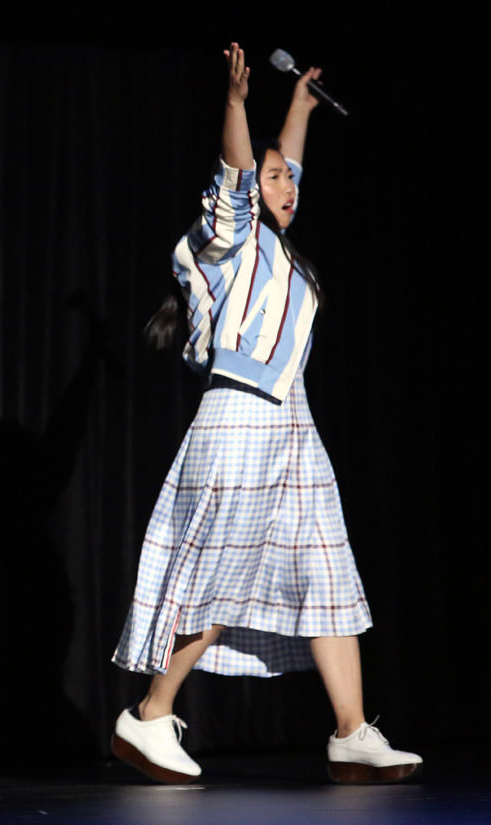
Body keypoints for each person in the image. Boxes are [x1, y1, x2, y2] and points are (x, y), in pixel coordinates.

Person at [111, 43, 422, 785]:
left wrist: (303, 107)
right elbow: (245, 177)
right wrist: (236, 104)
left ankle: (351, 730)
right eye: (275, 178)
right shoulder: (233, 243)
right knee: (226, 566)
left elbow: (284, 170)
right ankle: (150, 713)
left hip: (294, 421)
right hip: (241, 414)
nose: (288, 186)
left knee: (325, 562)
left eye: (291, 180)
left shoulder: (282, 253)